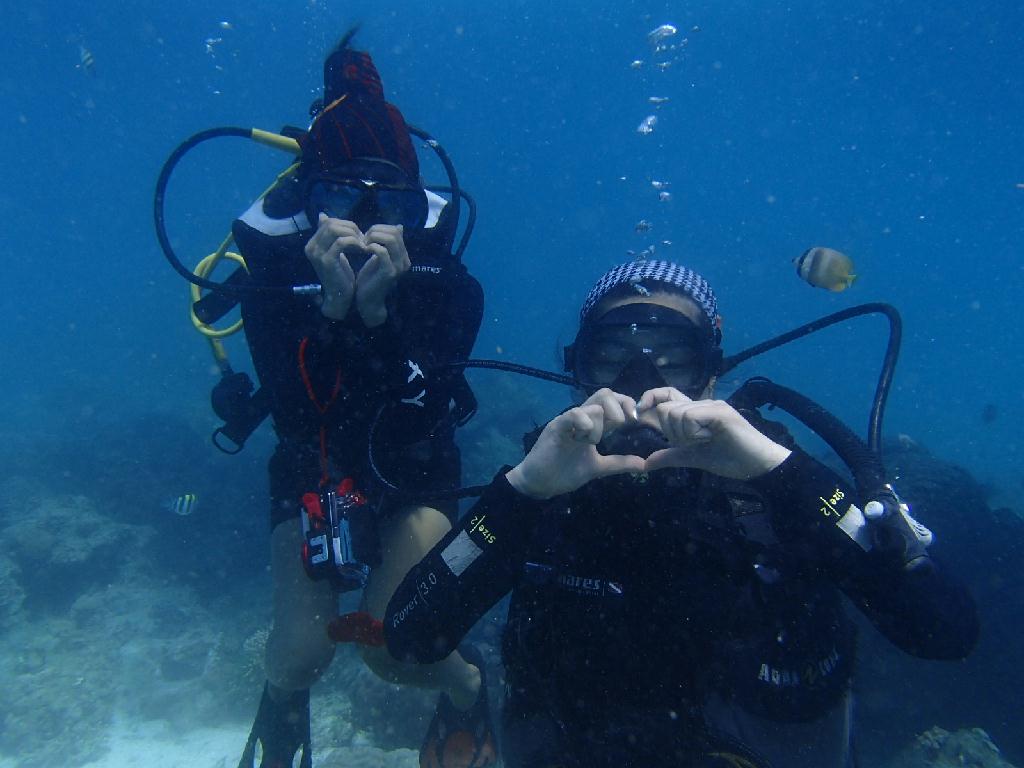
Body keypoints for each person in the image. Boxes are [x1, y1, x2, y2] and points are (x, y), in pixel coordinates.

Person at [383, 260, 978, 768]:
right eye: (612, 357)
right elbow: (407, 638)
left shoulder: (774, 482)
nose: (641, 385)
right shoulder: (548, 482)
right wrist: (518, 494)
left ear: (712, 373)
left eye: (674, 360)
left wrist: (784, 472)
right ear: (577, 373)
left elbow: (943, 628)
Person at [233, 32, 496, 768]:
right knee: (296, 656)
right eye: (339, 194)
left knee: (393, 645)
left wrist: (378, 319)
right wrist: (324, 314)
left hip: (413, 469)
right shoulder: (269, 287)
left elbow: (423, 411)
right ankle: (282, 712)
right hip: (308, 467)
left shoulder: (448, 287)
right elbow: (293, 413)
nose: (364, 220)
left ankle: (469, 688)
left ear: (417, 207)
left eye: (391, 201)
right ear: (309, 199)